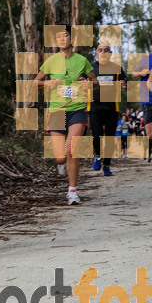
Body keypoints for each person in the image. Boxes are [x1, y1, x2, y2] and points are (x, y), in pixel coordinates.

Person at [34, 26, 98, 205]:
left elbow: (95, 82)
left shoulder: (82, 61)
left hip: (77, 109)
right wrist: (48, 83)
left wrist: (89, 84)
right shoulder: (51, 61)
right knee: (60, 157)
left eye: (66, 35)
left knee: (72, 150)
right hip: (56, 111)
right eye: (59, 37)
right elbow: (35, 83)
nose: (62, 39)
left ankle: (72, 191)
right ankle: (62, 164)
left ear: (72, 38)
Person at [88, 43, 127, 176]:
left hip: (111, 108)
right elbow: (81, 80)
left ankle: (107, 165)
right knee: (97, 135)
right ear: (96, 53)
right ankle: (98, 156)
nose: (103, 52)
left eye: (106, 50)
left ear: (110, 53)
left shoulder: (116, 68)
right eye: (100, 50)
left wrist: (124, 84)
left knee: (110, 138)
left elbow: (125, 81)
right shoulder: (90, 67)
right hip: (94, 107)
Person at [132, 36, 152, 162]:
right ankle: (150, 147)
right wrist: (140, 73)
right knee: (150, 134)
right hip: (149, 100)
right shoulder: (145, 60)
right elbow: (133, 75)